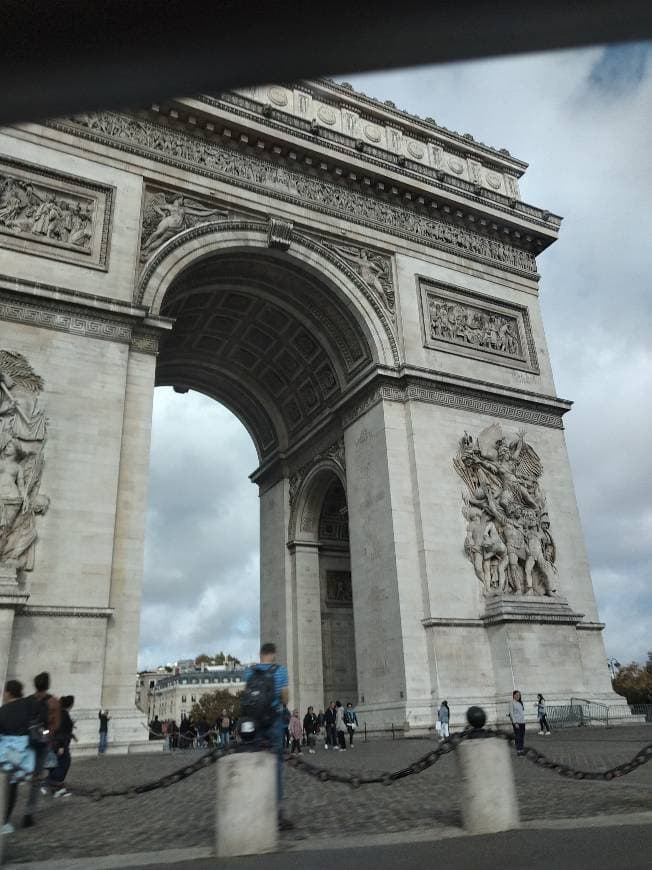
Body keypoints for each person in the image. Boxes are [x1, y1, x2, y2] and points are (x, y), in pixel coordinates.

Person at [243, 642, 292, 830]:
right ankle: (278, 815)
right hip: (274, 721)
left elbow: (246, 696)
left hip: (254, 724)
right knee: (277, 765)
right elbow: (285, 696)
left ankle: (254, 809)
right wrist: (282, 704)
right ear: (273, 654)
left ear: (260, 654)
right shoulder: (280, 671)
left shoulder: (249, 672)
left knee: (255, 761)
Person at [23, 671, 60, 828]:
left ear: (35, 684)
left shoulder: (27, 701)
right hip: (41, 743)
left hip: (25, 740)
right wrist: (47, 737)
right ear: (48, 684)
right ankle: (28, 813)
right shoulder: (53, 702)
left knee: (14, 775)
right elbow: (55, 725)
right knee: (37, 777)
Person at [0, 680, 35, 835]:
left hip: (8, 752)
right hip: (26, 752)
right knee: (12, 787)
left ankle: (5, 820)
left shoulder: (4, 710)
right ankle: (6, 821)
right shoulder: (28, 707)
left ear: (8, 692)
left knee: (6, 787)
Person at [47, 695, 76, 797]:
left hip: (52, 743)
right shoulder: (65, 716)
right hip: (60, 744)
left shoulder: (56, 714)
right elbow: (62, 732)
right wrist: (61, 746)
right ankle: (56, 789)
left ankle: (48, 785)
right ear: (71, 705)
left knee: (53, 764)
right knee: (64, 763)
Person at [509, 690, 526, 756]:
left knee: (522, 736)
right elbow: (511, 713)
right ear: (513, 695)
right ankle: (519, 751)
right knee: (518, 736)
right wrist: (515, 722)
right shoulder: (511, 703)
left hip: (522, 722)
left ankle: (521, 749)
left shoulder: (520, 703)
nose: (518, 696)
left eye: (519, 695)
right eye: (517, 695)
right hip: (517, 722)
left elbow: (521, 713)